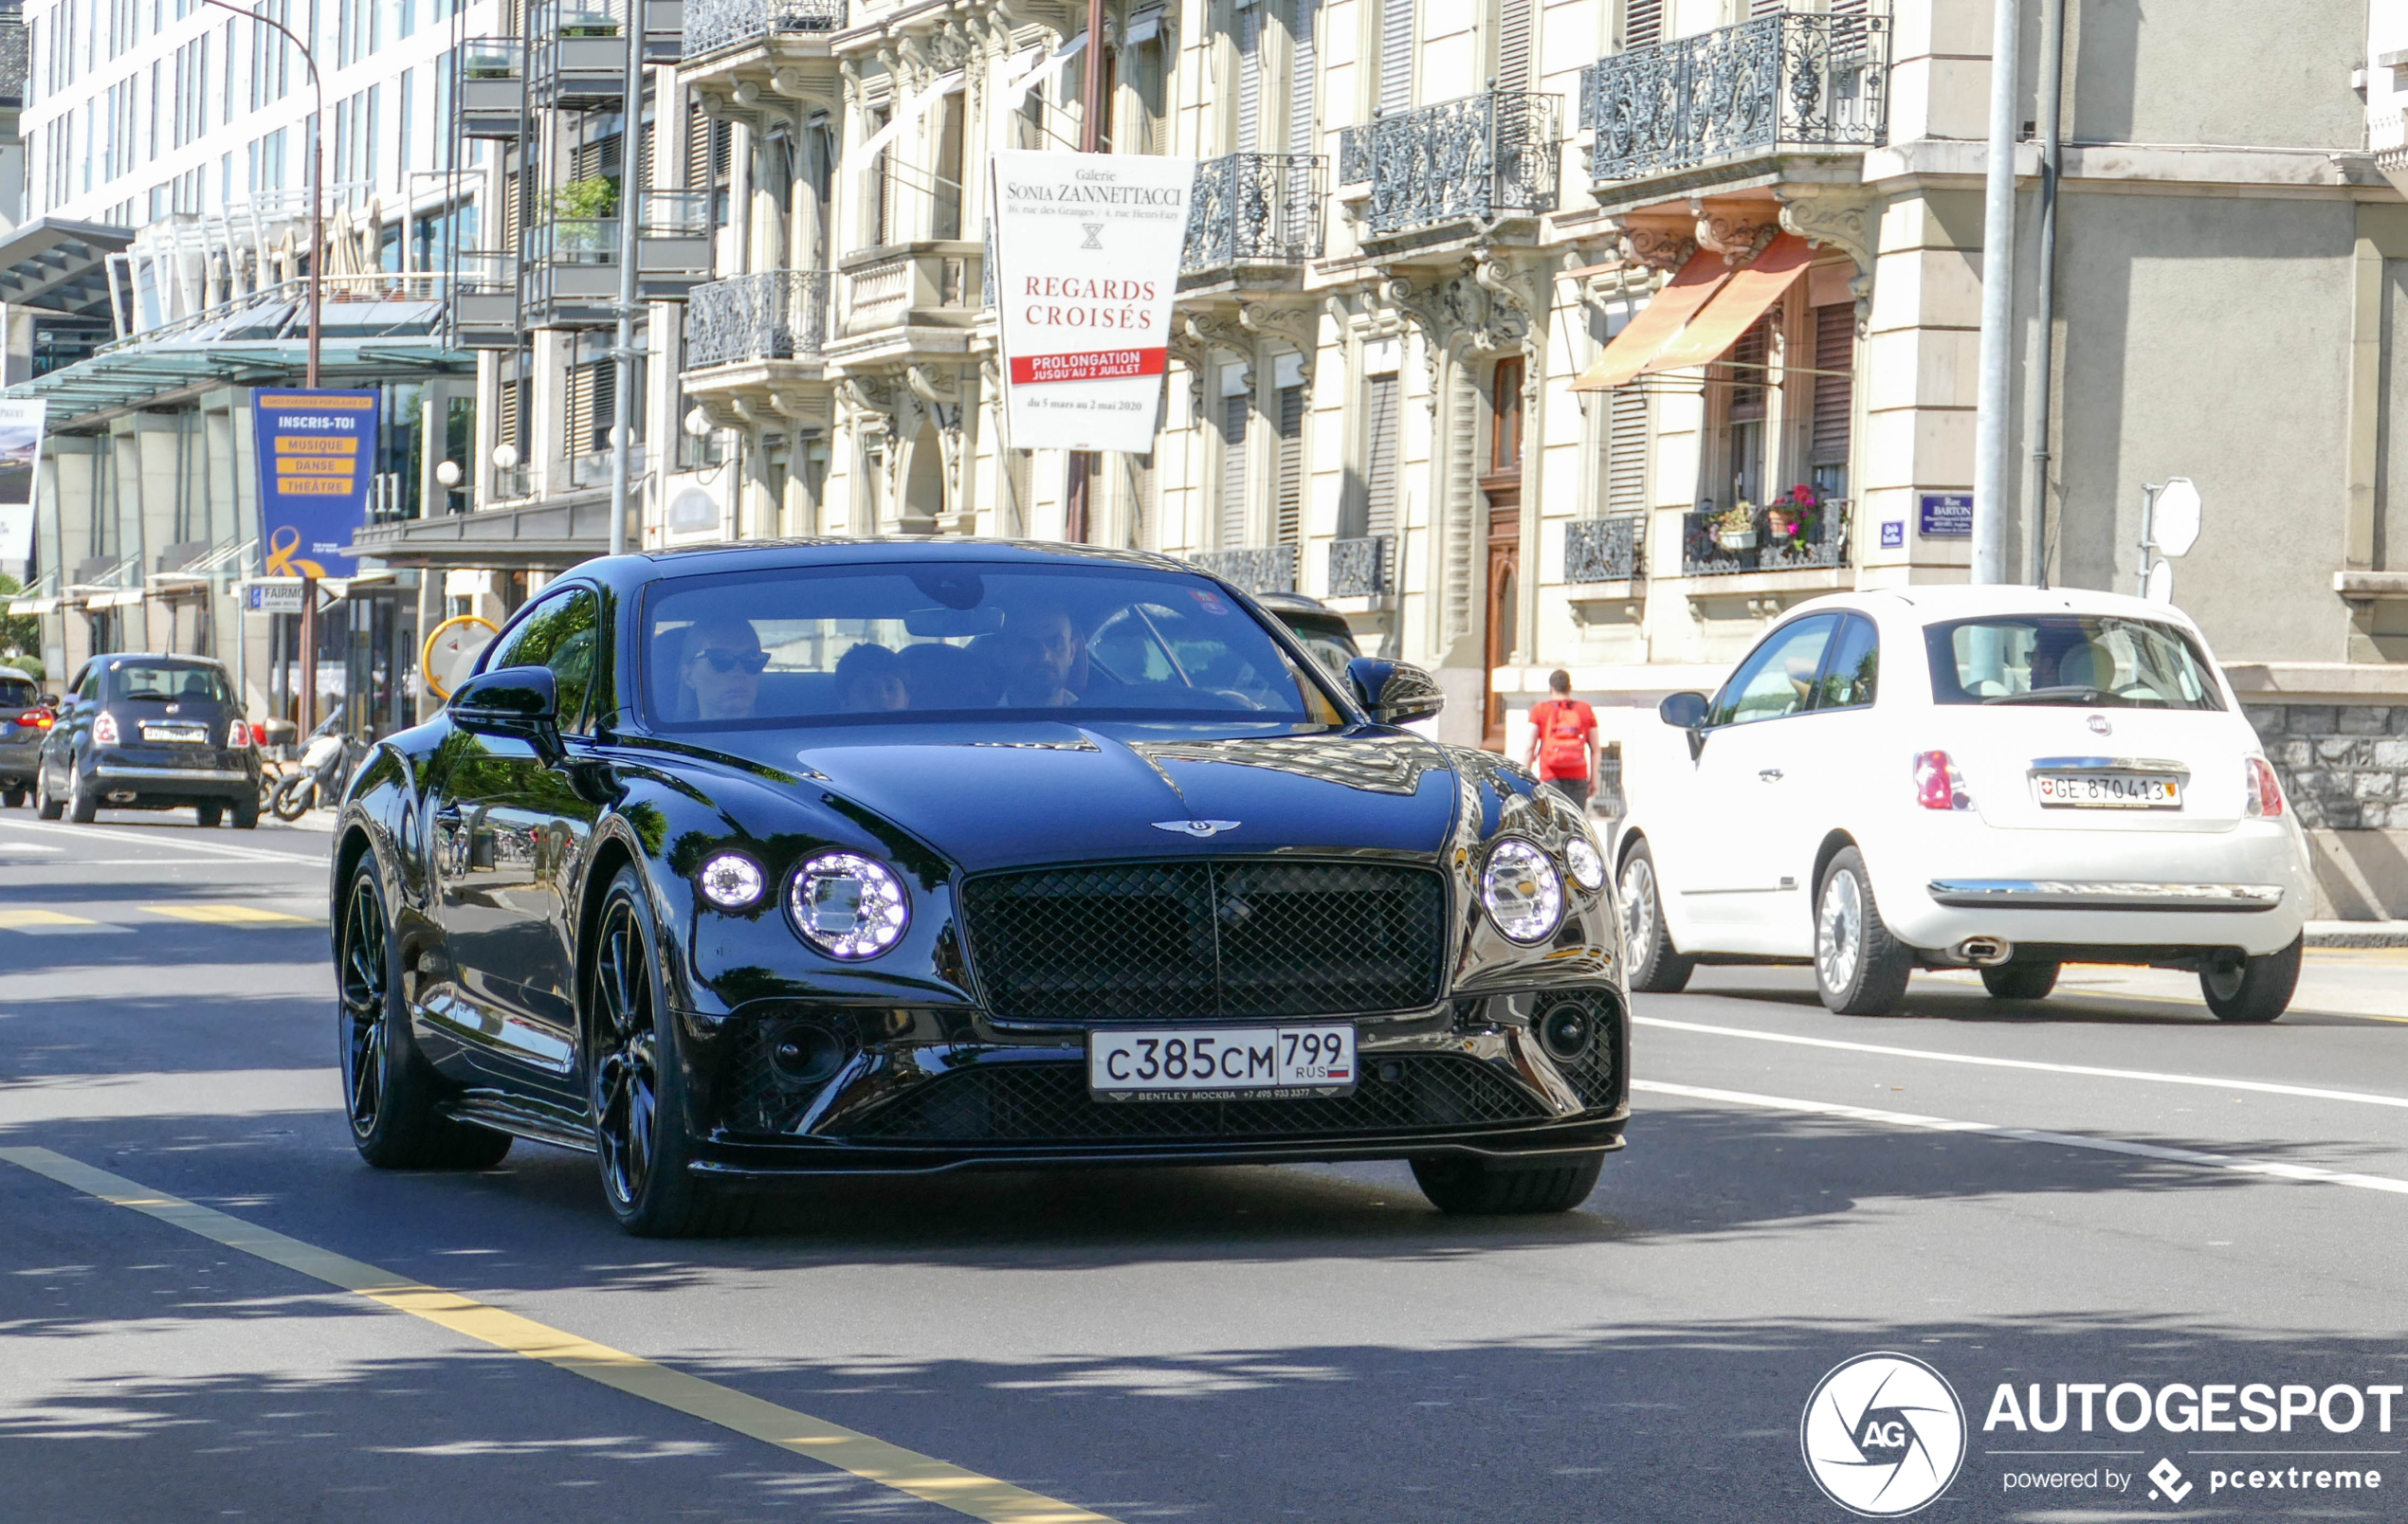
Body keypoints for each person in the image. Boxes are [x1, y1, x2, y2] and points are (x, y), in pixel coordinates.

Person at [1525, 669, 1598, 813]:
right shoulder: (1585, 709)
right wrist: (1595, 780)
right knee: (1576, 826)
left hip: (1550, 777)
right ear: (1569, 688)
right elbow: (1596, 749)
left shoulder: (1540, 710)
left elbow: (1529, 747)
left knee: (1552, 825)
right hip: (1578, 777)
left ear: (1551, 688)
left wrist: (1524, 779)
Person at [680, 619, 769, 721]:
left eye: (752, 660)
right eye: (720, 660)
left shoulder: (784, 730)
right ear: (688, 676)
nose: (739, 673)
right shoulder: (665, 734)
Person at [998, 604, 1083, 707]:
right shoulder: (978, 719)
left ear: (1072, 653)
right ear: (1002, 655)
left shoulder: (1097, 718)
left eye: (1055, 643)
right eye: (1028, 645)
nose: (1044, 656)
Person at [834, 643, 908, 713]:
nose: (882, 696)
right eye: (867, 690)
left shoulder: (917, 725)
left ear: (906, 699)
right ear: (845, 702)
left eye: (890, 688)